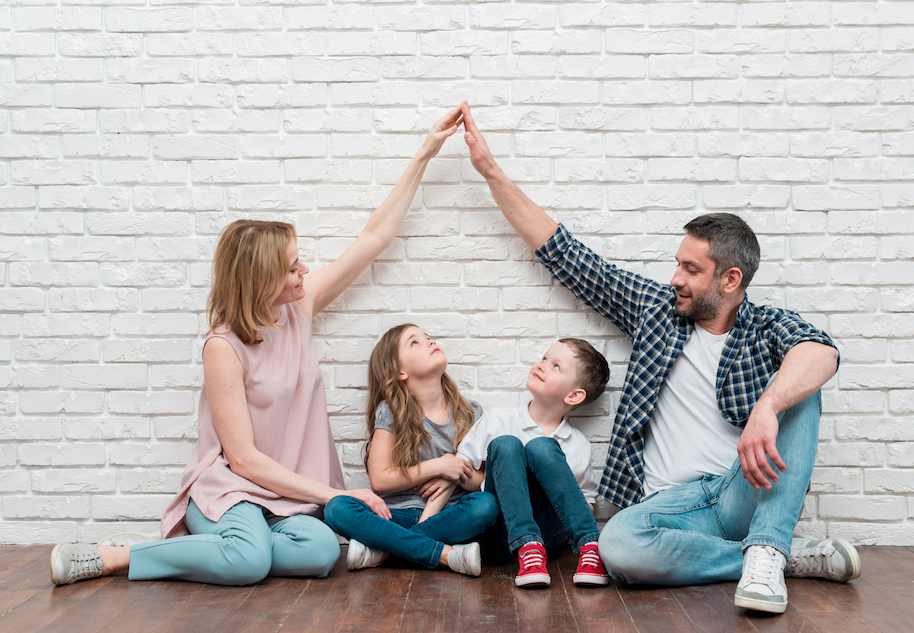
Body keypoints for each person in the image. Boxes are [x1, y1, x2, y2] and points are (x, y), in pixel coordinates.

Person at [460, 102, 861, 613]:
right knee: (618, 547)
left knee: (803, 387)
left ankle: (766, 544)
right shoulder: (656, 311)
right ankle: (773, 555)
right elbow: (569, 256)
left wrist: (767, 407)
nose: (675, 278)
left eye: (690, 269)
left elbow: (821, 353)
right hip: (668, 508)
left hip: (740, 491)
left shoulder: (764, 327)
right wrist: (490, 171)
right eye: (677, 264)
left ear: (730, 280)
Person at [49, 103, 467, 587]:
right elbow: (243, 459)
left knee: (317, 554)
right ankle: (122, 555)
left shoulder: (299, 308)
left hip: (289, 494)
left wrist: (424, 154)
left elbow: (373, 238)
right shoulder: (222, 348)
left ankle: (226, 550)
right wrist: (334, 495)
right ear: (261, 279)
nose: (304, 272)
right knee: (249, 563)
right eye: (293, 267)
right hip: (234, 489)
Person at [323, 324, 499, 576]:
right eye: (414, 342)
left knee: (486, 505)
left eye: (428, 337)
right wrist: (438, 465)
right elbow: (380, 481)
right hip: (397, 516)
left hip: (449, 517)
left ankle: (386, 551)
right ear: (399, 371)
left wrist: (458, 470)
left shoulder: (471, 412)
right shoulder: (391, 411)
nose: (429, 341)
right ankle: (445, 555)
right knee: (336, 508)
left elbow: (481, 483)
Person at [456, 338, 610, 588]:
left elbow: (587, 503)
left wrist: (556, 490)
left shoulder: (577, 443)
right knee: (506, 444)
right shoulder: (498, 419)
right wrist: (501, 482)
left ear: (573, 395)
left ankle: (590, 548)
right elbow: (462, 468)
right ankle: (527, 546)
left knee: (542, 447)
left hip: (550, 536)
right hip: (501, 533)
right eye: (544, 358)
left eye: (556, 366)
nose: (542, 365)